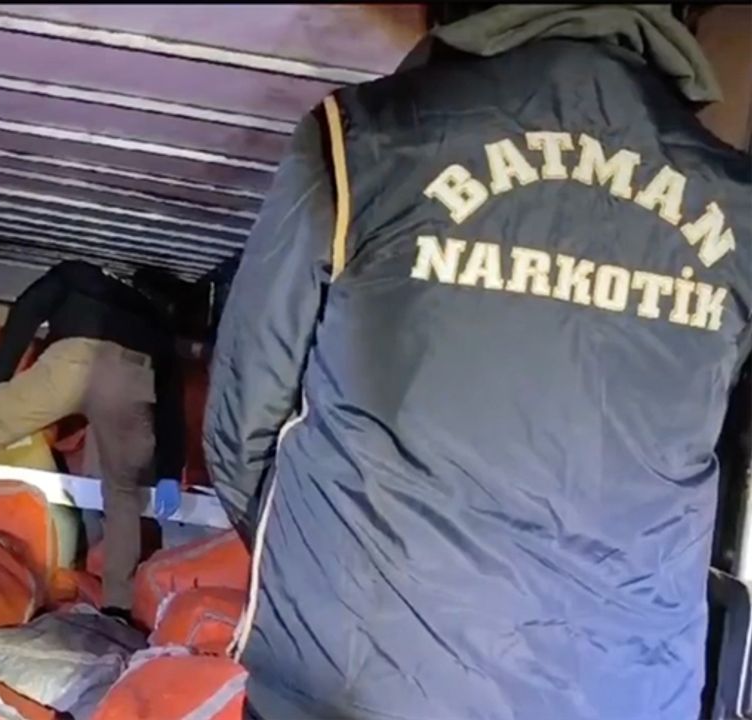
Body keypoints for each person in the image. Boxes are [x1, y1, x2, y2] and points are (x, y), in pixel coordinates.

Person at [204, 5, 750, 720]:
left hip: (360, 678)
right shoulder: (737, 203)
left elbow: (243, 421)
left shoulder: (366, 137)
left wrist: (319, 571)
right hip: (622, 691)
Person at [0, 259, 186, 619]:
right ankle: (117, 608)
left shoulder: (81, 274)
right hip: (131, 378)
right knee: (123, 494)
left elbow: (28, 309)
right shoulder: (157, 323)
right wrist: (169, 471)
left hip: (71, 364)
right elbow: (170, 402)